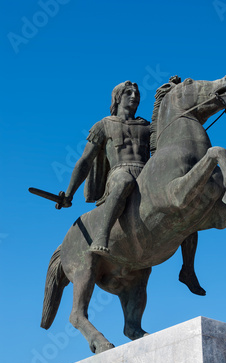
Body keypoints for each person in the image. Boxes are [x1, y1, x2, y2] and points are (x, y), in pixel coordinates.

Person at [61, 80, 206, 295]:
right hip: (120, 173)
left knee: (187, 207)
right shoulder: (103, 125)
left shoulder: (146, 126)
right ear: (117, 97)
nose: (134, 95)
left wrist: (169, 93)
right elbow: (85, 161)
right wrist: (70, 193)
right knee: (124, 182)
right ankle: (102, 236)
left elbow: (165, 135)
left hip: (147, 176)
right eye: (128, 92)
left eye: (136, 92)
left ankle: (188, 268)